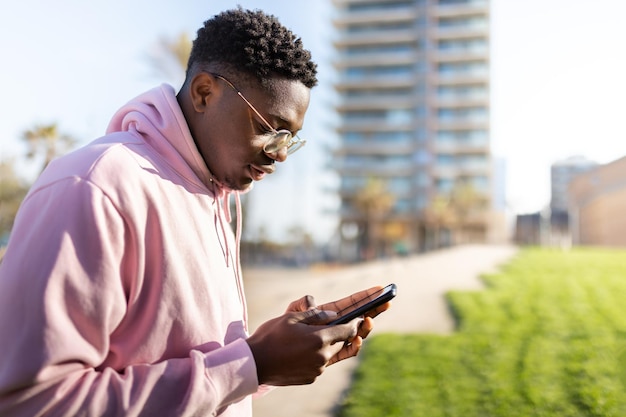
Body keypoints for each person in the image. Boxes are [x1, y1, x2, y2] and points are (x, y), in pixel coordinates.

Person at [0, 7, 390, 417]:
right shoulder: (94, 187)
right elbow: (32, 402)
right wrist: (252, 363)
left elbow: (191, 368)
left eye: (289, 140)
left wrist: (272, 357)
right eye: (271, 129)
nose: (279, 155)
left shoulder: (212, 193)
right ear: (205, 93)